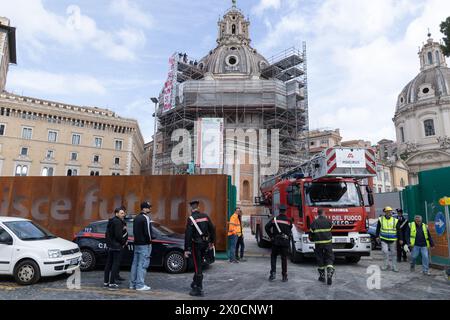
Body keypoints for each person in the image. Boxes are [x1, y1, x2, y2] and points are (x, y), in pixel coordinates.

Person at [184, 200, 216, 297]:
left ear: (191, 209)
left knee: (198, 266)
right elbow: (213, 229)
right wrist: (211, 242)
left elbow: (188, 235)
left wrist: (187, 249)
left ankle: (198, 288)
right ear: (198, 207)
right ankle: (195, 282)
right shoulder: (205, 216)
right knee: (200, 264)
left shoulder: (191, 219)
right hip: (205, 244)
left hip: (196, 245)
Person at [129, 201, 154, 291]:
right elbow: (148, 232)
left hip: (137, 244)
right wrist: (149, 242)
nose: (150, 209)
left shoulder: (136, 218)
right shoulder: (145, 218)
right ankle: (140, 285)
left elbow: (135, 232)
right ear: (144, 208)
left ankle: (132, 284)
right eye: (149, 207)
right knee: (142, 265)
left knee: (135, 264)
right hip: (144, 245)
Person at [265, 204, 292, 282]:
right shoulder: (289, 221)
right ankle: (284, 276)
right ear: (285, 211)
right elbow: (290, 230)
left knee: (273, 257)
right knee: (284, 259)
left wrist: (271, 236)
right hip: (285, 243)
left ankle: (273, 273)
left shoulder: (275, 219)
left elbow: (266, 227)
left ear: (279, 211)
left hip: (276, 242)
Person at [309, 208, 335, 285]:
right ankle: (329, 273)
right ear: (323, 213)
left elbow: (311, 234)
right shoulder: (328, 221)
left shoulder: (314, 222)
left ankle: (322, 276)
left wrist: (312, 239)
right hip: (328, 244)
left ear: (318, 214)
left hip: (318, 244)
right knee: (329, 258)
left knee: (320, 259)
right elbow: (331, 228)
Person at [104, 207, 127, 290]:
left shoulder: (111, 221)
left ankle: (106, 281)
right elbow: (118, 236)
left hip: (111, 246)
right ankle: (112, 282)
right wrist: (123, 242)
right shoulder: (117, 222)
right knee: (115, 264)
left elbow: (107, 234)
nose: (123, 214)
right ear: (116, 213)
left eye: (123, 213)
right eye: (121, 213)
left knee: (108, 264)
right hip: (117, 246)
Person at [376, 206, 403, 272]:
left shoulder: (395, 220)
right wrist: (377, 236)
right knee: (385, 252)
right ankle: (386, 265)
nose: (389, 213)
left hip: (393, 239)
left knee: (393, 253)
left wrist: (401, 239)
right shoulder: (381, 219)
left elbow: (399, 230)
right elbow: (378, 229)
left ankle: (394, 267)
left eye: (390, 211)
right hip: (383, 239)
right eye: (388, 212)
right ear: (385, 212)